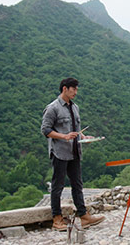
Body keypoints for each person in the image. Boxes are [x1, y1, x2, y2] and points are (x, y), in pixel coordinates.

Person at [41, 77, 105, 231]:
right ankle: (57, 219)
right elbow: (45, 130)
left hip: (75, 151)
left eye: (76, 89)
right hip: (60, 152)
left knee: (77, 185)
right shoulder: (53, 108)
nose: (76, 92)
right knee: (58, 186)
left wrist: (83, 137)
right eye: (73, 89)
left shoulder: (75, 107)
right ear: (65, 88)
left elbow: (76, 129)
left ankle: (84, 216)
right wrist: (64, 136)